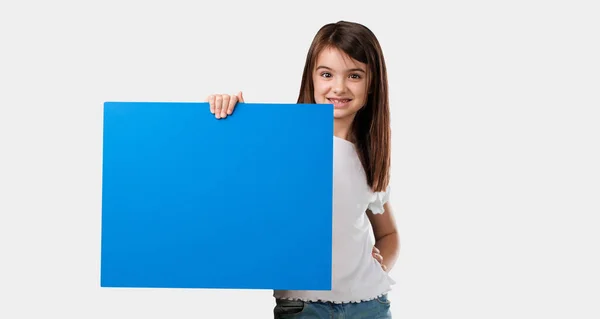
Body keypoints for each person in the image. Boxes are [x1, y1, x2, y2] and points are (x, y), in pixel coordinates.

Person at [206, 20, 399, 319]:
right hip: (304, 307)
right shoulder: (283, 142)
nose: (339, 87)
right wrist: (233, 123)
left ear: (372, 83)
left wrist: (380, 261)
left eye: (355, 75)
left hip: (370, 305)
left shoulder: (371, 154)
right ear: (311, 78)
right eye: (326, 74)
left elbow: (389, 234)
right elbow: (231, 185)